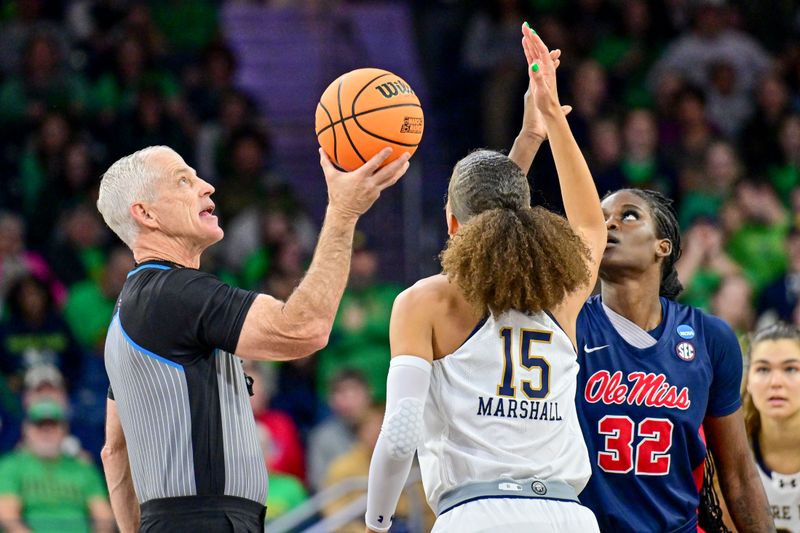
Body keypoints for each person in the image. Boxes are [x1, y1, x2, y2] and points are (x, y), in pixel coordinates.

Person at [365, 26, 606, 532]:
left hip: (476, 512)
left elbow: (401, 433)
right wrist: (547, 126)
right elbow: (587, 222)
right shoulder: (563, 292)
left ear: (451, 223)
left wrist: (378, 520)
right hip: (567, 514)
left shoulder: (425, 303)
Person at [96, 144, 409, 532]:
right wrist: (343, 213)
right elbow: (304, 328)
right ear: (145, 214)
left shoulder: (127, 311)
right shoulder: (175, 293)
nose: (207, 186)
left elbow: (115, 452)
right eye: (184, 181)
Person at [0, 400, 114, 533]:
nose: (46, 431)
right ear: (26, 430)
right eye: (39, 425)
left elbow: (104, 518)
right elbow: (8, 518)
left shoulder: (84, 470)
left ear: (64, 430)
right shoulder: (10, 467)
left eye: (53, 425)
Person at [740, 323, 800, 533]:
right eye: (763, 369)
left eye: (791, 368)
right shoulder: (726, 452)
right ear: (748, 381)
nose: (776, 382)